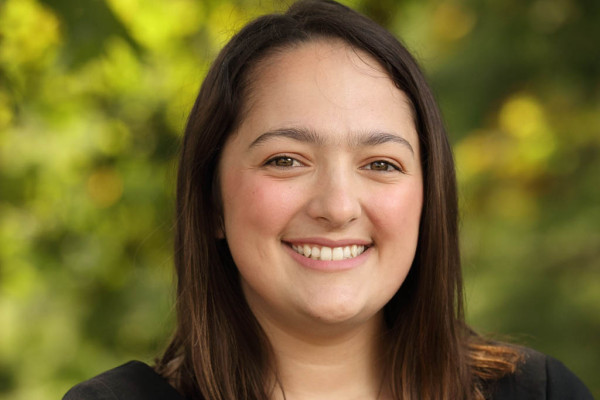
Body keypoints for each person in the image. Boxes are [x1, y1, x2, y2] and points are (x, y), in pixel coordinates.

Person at [63, 1, 593, 399]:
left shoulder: (536, 393)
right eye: (286, 160)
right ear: (210, 203)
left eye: (381, 165)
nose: (337, 207)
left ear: (428, 201)